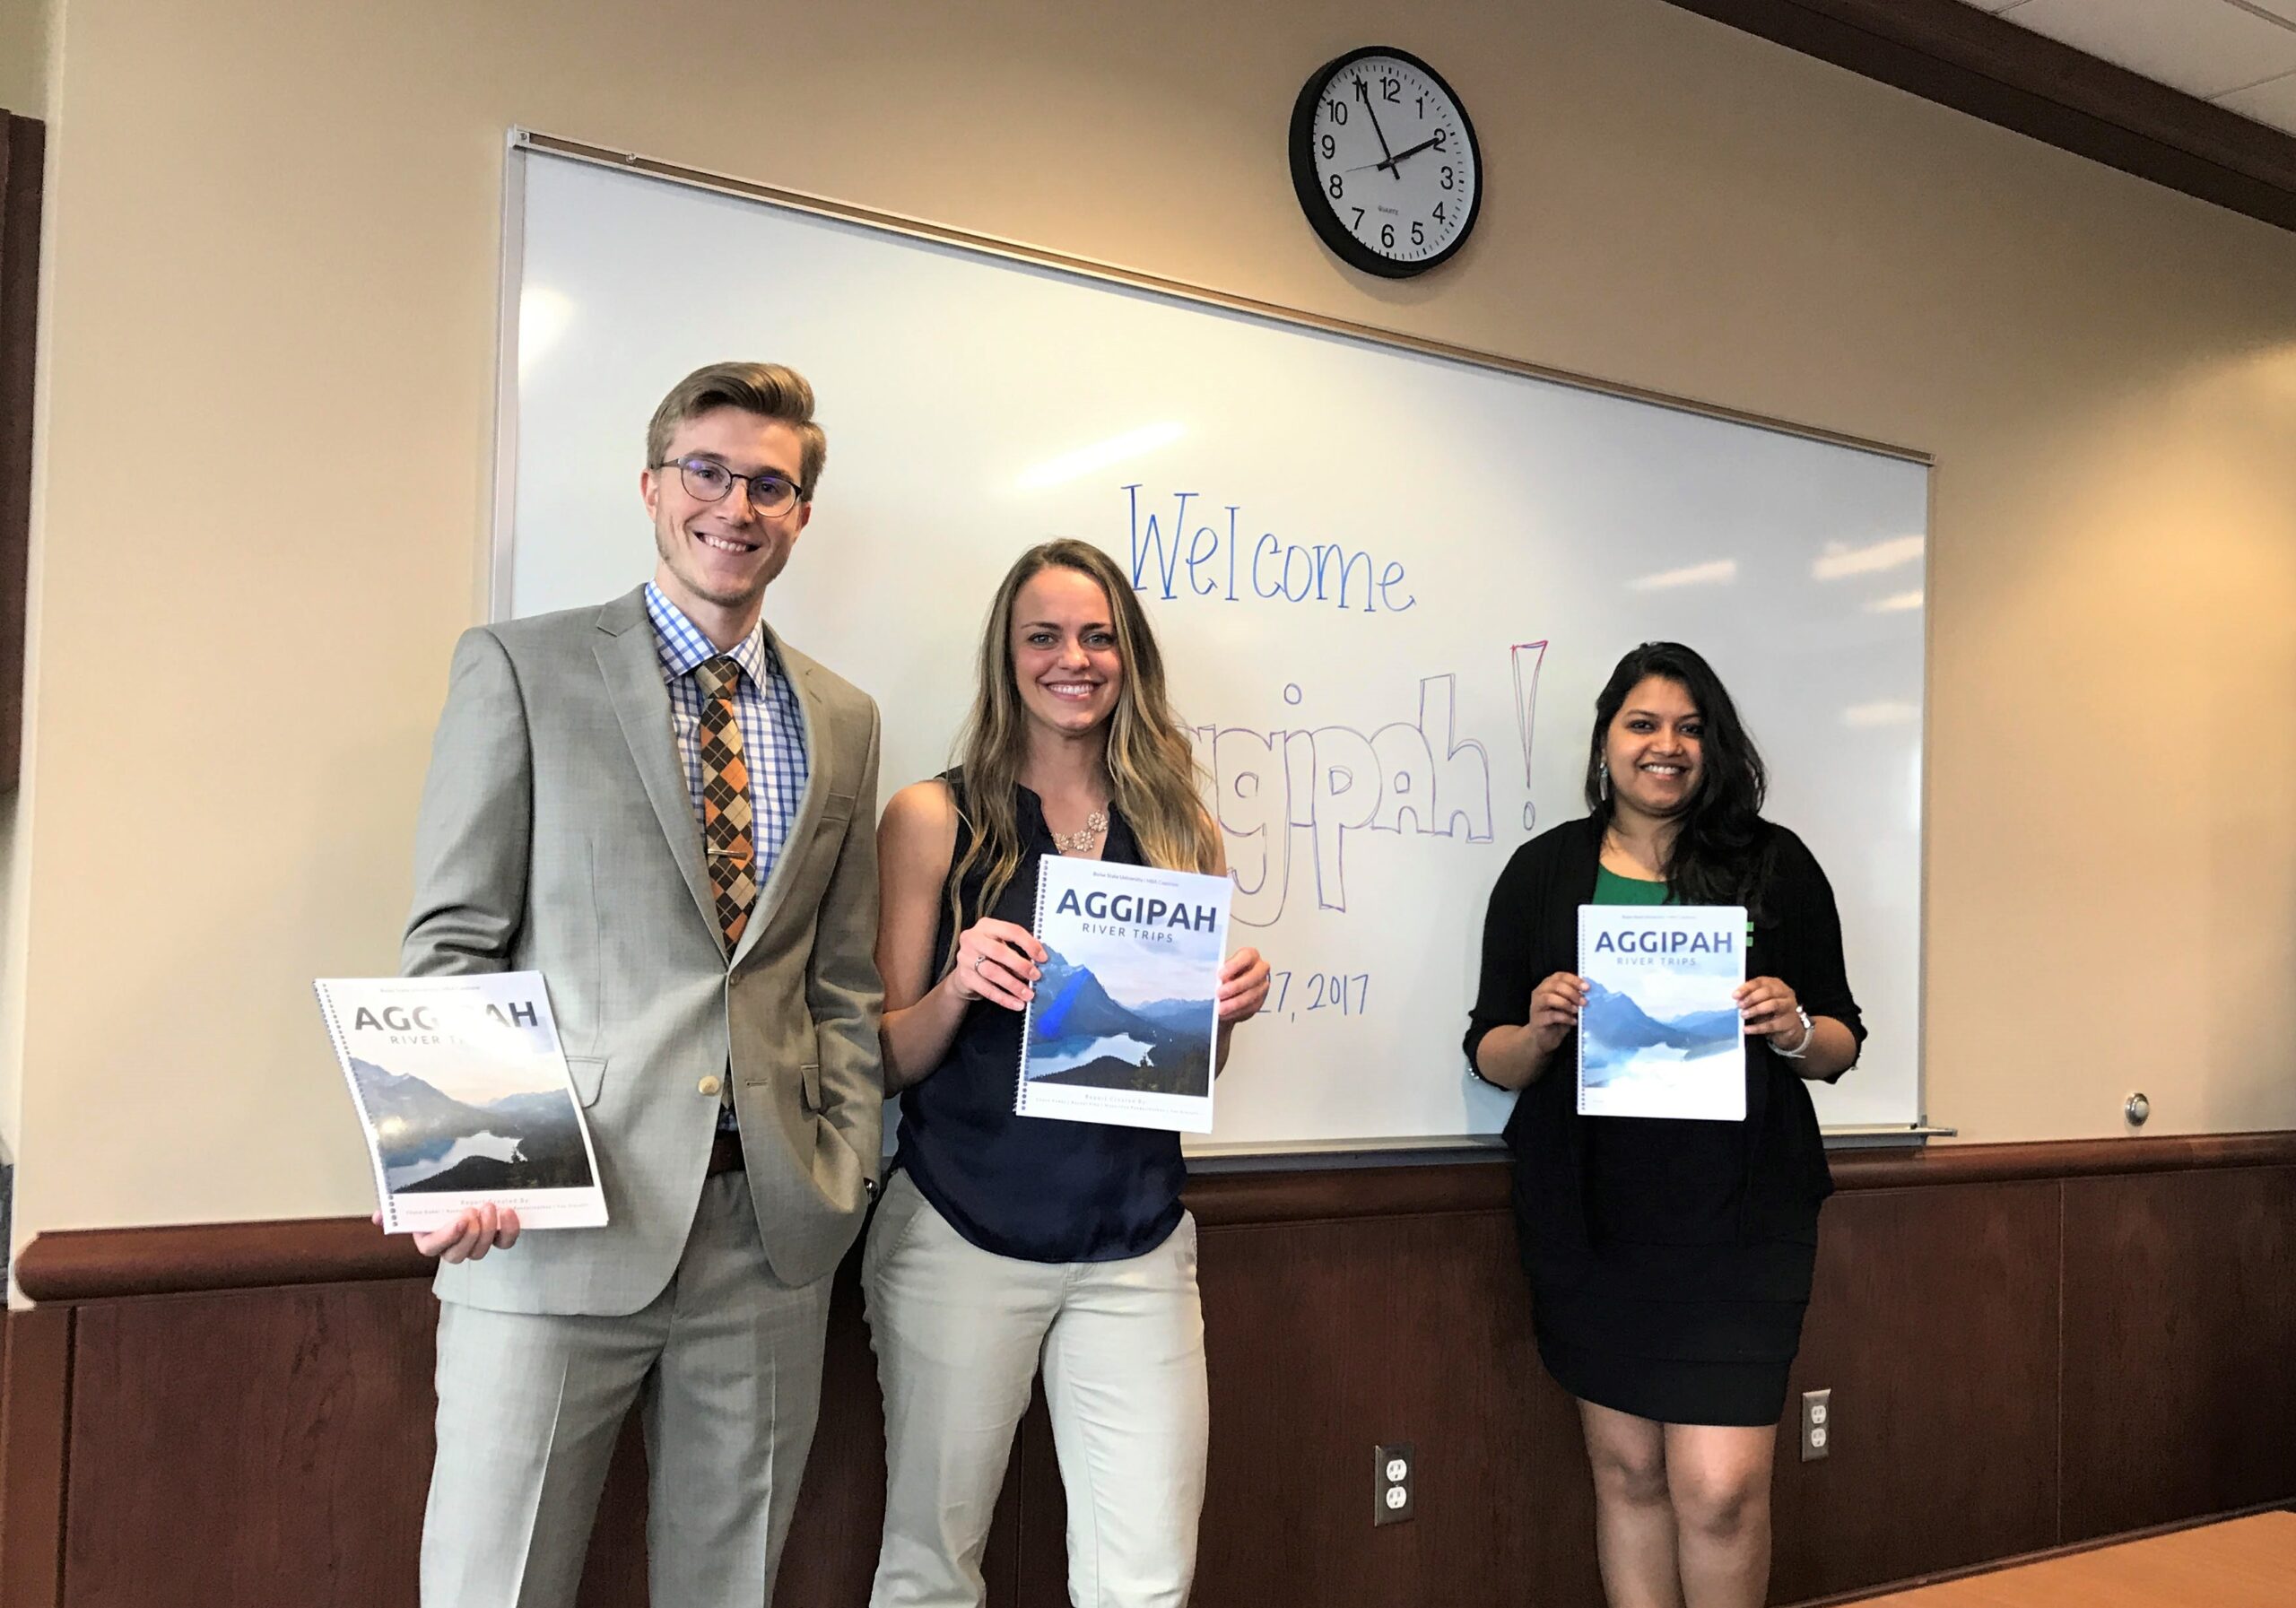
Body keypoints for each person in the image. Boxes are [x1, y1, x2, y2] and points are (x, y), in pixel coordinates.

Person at [398, 361, 883, 1607]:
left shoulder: (843, 716)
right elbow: (455, 939)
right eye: (707, 471)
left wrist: (843, 1162)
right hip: (553, 1221)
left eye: (769, 484)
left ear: (801, 515)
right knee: (493, 1583)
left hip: (768, 1237)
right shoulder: (521, 668)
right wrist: (465, 1161)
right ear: (653, 485)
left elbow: (837, 980)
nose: (735, 504)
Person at [865, 537, 1270, 1608]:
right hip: (960, 1230)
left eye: (1098, 636)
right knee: (930, 1566)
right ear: (1007, 657)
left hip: (1135, 1239)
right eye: (1043, 636)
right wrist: (957, 986)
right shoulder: (931, 817)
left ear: (1128, 656)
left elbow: (1189, 1069)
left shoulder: (1183, 828)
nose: (1072, 658)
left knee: (1146, 1579)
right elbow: (881, 1055)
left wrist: (1224, 1012)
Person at [1465, 641, 1862, 1608]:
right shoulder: (1541, 870)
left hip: (1742, 1220)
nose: (1666, 745)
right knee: (1630, 1475)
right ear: (1606, 740)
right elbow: (1489, 1050)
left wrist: (1792, 1024)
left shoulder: (1775, 863)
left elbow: (1841, 1043)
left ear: (1713, 745)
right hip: (1592, 1215)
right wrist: (1543, 1028)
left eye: (1689, 727)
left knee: (1719, 1489)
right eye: (1643, 723)